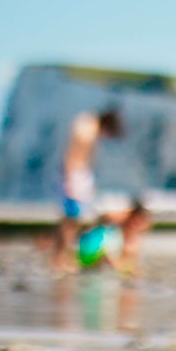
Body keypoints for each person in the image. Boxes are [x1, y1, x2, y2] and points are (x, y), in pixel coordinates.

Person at [55, 108, 124, 273]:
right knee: (71, 219)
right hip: (75, 174)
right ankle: (61, 258)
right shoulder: (88, 127)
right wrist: (71, 175)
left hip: (78, 174)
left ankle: (63, 257)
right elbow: (74, 153)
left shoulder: (88, 125)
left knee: (72, 219)